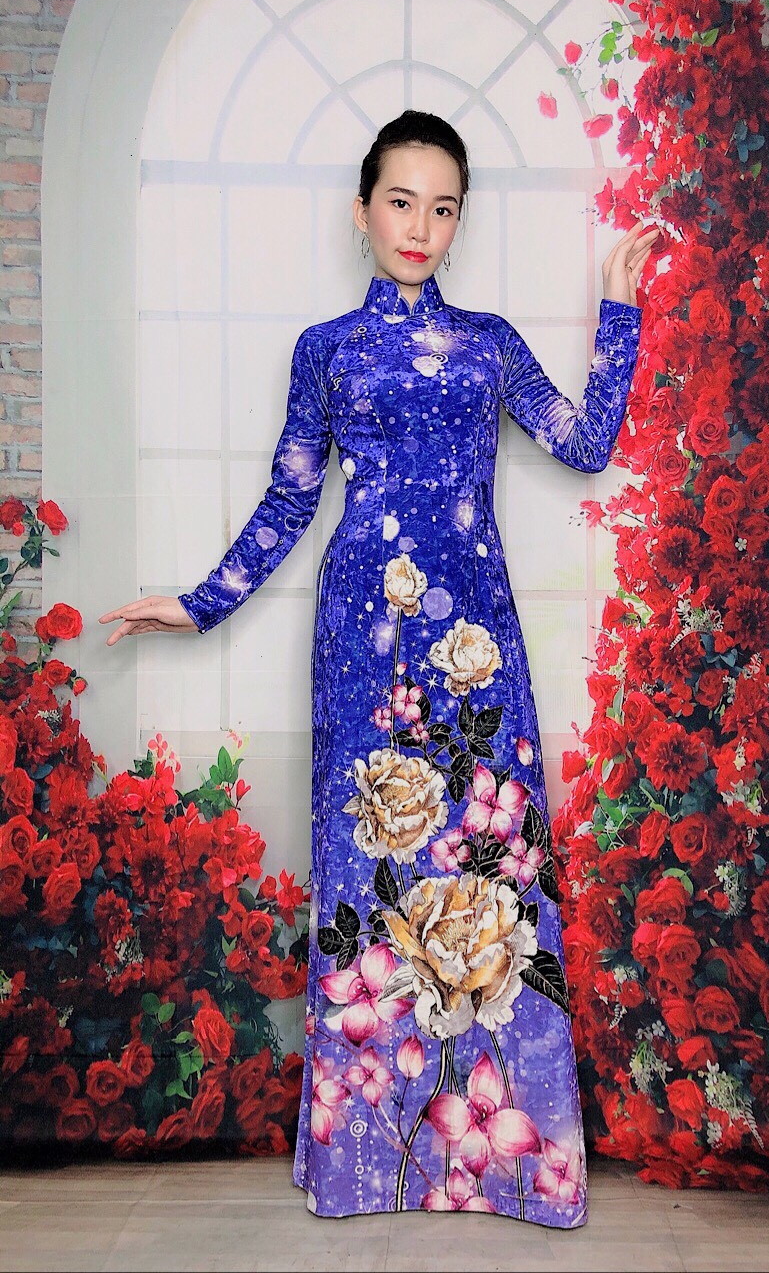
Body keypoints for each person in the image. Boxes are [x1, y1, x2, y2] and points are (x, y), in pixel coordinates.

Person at [99, 109, 657, 1225]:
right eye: (400, 201)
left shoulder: (489, 343)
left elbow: (586, 444)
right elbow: (290, 499)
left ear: (457, 222)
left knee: (490, 869)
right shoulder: (324, 349)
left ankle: (504, 1163)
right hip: (362, 641)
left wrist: (617, 304)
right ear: (361, 211)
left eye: (442, 208)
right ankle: (370, 1159)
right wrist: (199, 602)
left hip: (475, 643)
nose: (419, 226)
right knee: (370, 878)